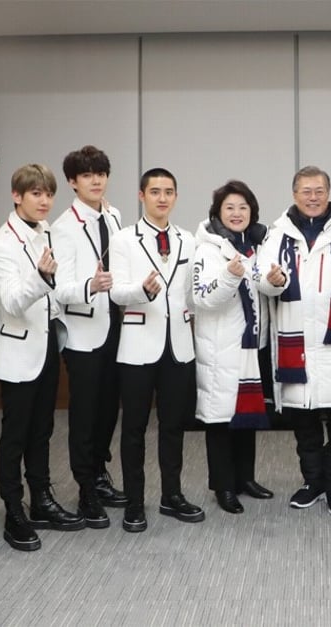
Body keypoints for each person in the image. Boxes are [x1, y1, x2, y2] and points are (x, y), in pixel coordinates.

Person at [256, 165, 331, 517]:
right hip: (295, 339)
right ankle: (312, 482)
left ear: (328, 193)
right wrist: (273, 280)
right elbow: (262, 279)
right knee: (303, 418)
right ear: (295, 195)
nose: (313, 197)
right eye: (306, 191)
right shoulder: (277, 236)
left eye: (319, 190)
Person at [0, 164, 85, 551]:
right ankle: (13, 511)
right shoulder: (2, 243)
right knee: (15, 434)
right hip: (16, 346)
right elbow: (11, 301)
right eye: (36, 194)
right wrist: (41, 278)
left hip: (46, 344)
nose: (44, 201)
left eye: (48, 194)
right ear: (17, 196)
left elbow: (55, 292)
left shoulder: (45, 233)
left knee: (42, 431)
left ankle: (41, 500)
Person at [109, 168, 202, 532]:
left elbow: (192, 294)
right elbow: (116, 292)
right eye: (155, 191)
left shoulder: (188, 239)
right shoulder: (124, 239)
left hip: (178, 344)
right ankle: (134, 501)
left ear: (176, 197)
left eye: (168, 192)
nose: (162, 198)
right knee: (133, 427)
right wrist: (142, 291)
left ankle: (171, 495)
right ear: (141, 196)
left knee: (173, 426)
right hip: (137, 346)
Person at [51, 145, 127, 531]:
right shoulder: (63, 227)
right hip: (82, 332)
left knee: (107, 409)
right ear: (72, 182)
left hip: (116, 325)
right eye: (86, 175)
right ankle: (85, 490)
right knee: (84, 415)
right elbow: (58, 288)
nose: (96, 180)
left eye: (101, 173)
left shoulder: (113, 215)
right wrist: (89, 285)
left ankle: (99, 473)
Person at [192, 180, 275, 514]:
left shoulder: (257, 246)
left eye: (243, 207)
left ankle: (245, 478)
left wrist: (275, 280)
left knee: (247, 412)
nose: (237, 213)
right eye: (230, 208)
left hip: (251, 344)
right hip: (220, 346)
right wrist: (229, 275)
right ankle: (223, 486)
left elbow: (264, 284)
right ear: (217, 213)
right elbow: (203, 298)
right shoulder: (207, 250)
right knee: (220, 417)